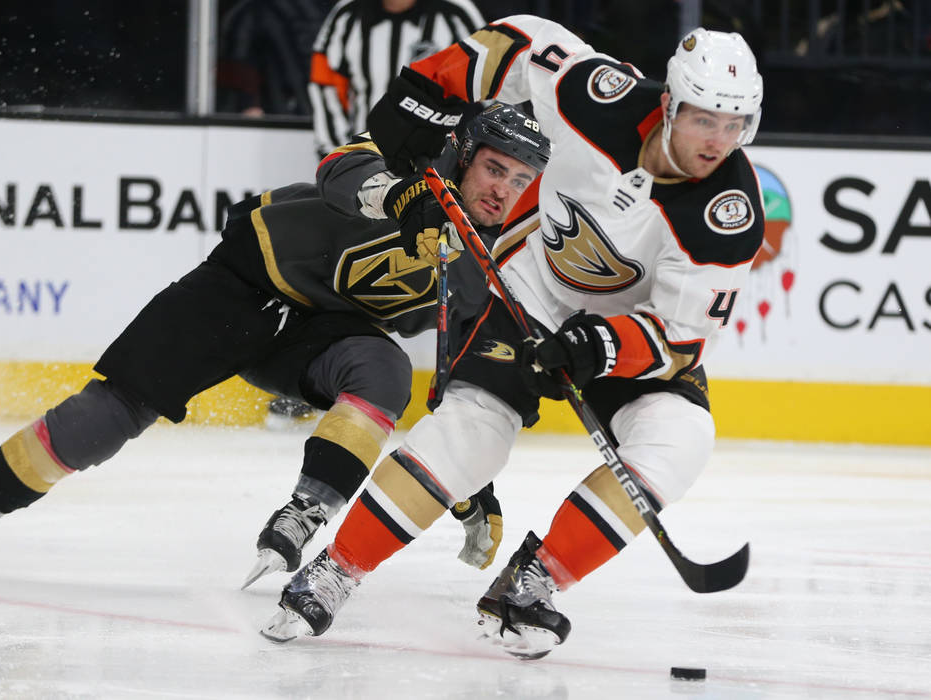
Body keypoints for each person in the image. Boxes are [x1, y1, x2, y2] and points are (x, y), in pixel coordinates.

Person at [263, 17, 766, 661]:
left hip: (627, 329)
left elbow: (681, 340)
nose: (717, 141)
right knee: (473, 433)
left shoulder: (728, 215)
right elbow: (521, 43)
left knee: (681, 439)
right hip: (533, 291)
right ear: (669, 104)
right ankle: (337, 568)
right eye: (704, 119)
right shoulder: (596, 98)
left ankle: (533, 582)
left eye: (734, 125)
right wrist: (428, 86)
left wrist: (599, 348)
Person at [0, 104, 551, 594]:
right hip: (243, 284)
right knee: (107, 417)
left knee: (384, 370)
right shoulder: (420, 164)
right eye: (495, 167)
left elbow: (465, 378)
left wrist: (472, 481)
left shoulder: (488, 262)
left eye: (520, 179)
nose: (502, 189)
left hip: (321, 332)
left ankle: (304, 513)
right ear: (466, 156)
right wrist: (399, 196)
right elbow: (341, 166)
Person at [309, 0, 484, 160]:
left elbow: (489, 88)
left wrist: (468, 160)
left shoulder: (456, 13)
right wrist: (337, 156)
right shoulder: (347, 14)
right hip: (364, 161)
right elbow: (325, 87)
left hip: (438, 166)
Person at [216, 0, 334, 117]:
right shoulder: (251, 12)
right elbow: (237, 65)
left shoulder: (248, 12)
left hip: (304, 111)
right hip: (285, 113)